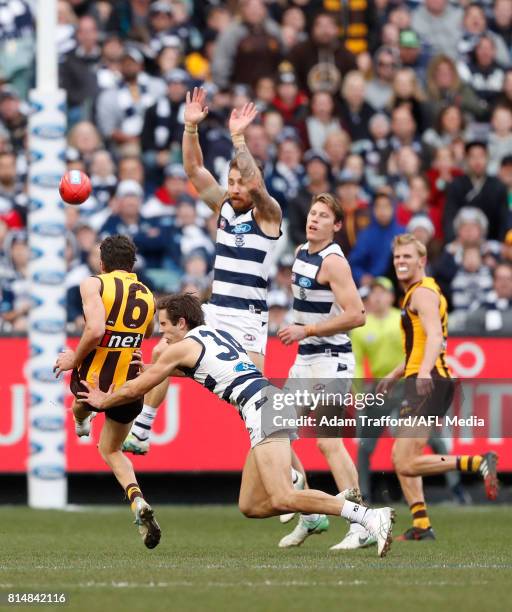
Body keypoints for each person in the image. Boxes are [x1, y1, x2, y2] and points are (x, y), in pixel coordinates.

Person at [78, 292, 395, 558]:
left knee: (283, 497)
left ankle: (368, 516)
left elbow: (137, 388)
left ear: (182, 323)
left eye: (164, 326)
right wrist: (153, 367)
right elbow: (198, 370)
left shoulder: (182, 347)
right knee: (252, 505)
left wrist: (102, 401)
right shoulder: (211, 335)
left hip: (262, 408)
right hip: (266, 403)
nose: (162, 334)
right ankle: (334, 501)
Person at [123, 87, 282, 453]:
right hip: (214, 311)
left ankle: (292, 477)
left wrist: (239, 139)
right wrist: (190, 128)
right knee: (164, 352)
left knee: (255, 407)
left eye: (240, 182)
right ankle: (144, 428)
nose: (235, 188)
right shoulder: (225, 208)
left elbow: (256, 184)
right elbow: (194, 169)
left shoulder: (269, 216)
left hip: (247, 322)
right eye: (231, 182)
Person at [378, 234, 498, 541]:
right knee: (401, 457)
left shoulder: (424, 294)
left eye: (407, 257)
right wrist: (395, 374)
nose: (401, 262)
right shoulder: (417, 293)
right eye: (397, 257)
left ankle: (476, 462)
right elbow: (420, 343)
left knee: (405, 460)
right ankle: (421, 524)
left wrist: (424, 372)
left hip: (428, 381)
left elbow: (433, 338)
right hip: (422, 377)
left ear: (422, 261)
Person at [276, 193, 372, 551]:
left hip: (332, 358)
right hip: (306, 358)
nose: (313, 219)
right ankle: (310, 514)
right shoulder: (301, 251)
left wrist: (307, 330)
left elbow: (358, 315)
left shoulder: (334, 262)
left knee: (329, 442)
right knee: (273, 429)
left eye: (322, 216)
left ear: (335, 226)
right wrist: (300, 328)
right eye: (312, 213)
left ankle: (361, 522)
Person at [53, 235, 160, 550]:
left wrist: (74, 357)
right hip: (128, 385)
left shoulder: (94, 284)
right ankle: (137, 501)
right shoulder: (147, 293)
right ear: (131, 264)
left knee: (79, 409)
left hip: (94, 377)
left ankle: (82, 422)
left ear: (102, 263)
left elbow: (96, 328)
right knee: (112, 449)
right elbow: (149, 331)